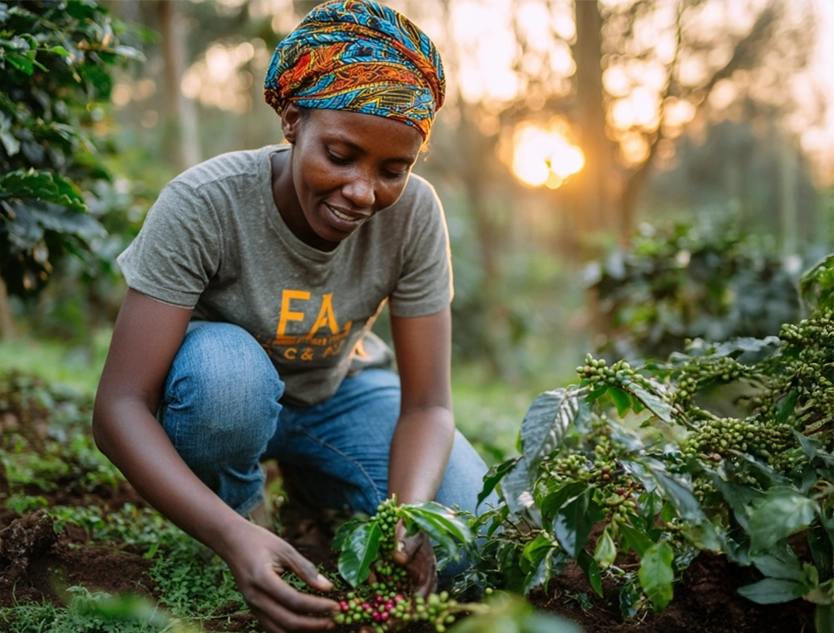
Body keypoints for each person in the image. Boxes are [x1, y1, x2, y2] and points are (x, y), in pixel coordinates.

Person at [92, 1, 495, 632]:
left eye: (393, 169)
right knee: (227, 377)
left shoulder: (415, 214)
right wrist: (230, 535)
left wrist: (408, 519)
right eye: (340, 154)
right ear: (291, 121)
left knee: (467, 537)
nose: (362, 192)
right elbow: (119, 408)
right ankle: (242, 511)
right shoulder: (204, 203)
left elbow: (427, 406)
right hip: (220, 402)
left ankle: (315, 483)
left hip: (339, 394)